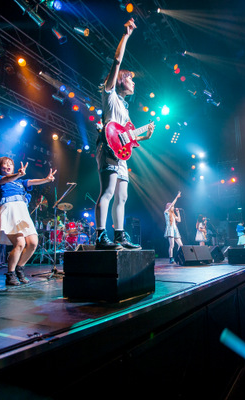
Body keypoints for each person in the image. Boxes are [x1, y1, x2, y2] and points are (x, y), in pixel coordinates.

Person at [94, 18, 155, 250]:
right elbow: (117, 61)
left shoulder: (125, 109)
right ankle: (101, 236)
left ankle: (119, 235)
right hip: (108, 148)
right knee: (108, 192)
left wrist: (144, 136)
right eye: (130, 78)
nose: (133, 82)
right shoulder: (109, 94)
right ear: (120, 80)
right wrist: (126, 35)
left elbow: (127, 137)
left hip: (120, 154)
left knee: (122, 196)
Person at [0, 157, 56, 286]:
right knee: (20, 243)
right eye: (5, 165)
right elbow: (6, 179)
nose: (8, 166)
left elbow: (31, 182)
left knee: (33, 243)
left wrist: (46, 179)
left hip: (22, 211)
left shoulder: (20, 182)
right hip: (10, 209)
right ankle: (10, 274)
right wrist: (18, 174)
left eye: (10, 164)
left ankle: (19, 268)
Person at [164, 191, 183, 264]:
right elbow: (172, 204)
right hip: (170, 229)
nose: (173, 207)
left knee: (181, 245)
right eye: (172, 206)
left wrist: (178, 212)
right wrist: (177, 197)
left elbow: (179, 220)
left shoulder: (173, 214)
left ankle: (177, 256)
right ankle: (171, 258)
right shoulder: (166, 212)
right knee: (172, 245)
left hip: (175, 230)